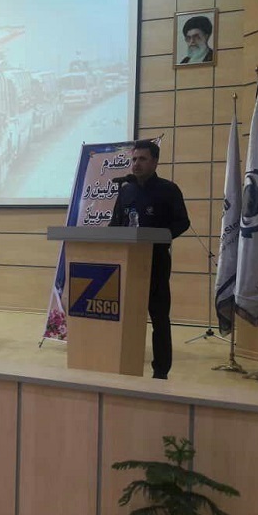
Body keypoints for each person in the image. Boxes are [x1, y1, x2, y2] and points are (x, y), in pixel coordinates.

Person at [109, 140, 190, 379]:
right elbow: (115, 225)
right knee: (127, 320)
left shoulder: (168, 190)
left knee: (159, 320)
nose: (136, 164)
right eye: (134, 159)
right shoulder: (125, 190)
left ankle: (160, 372)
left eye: (142, 159)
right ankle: (124, 365)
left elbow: (182, 222)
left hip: (155, 264)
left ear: (155, 162)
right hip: (127, 265)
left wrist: (160, 236)